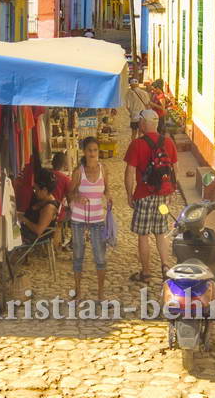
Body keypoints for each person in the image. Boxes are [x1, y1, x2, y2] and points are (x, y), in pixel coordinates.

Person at [123, 109, 177, 283]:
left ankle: (146, 272)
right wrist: (171, 191)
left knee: (144, 235)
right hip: (162, 197)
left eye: (140, 122)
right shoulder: (168, 143)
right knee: (161, 232)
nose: (139, 124)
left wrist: (129, 194)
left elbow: (130, 172)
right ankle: (165, 266)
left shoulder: (137, 144)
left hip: (144, 195)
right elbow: (175, 169)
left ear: (144, 123)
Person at [68, 137, 111, 301]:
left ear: (98, 152)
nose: (92, 153)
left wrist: (108, 199)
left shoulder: (104, 170)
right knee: (78, 255)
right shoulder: (78, 172)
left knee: (100, 257)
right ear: (84, 152)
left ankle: (101, 293)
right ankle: (78, 291)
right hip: (79, 218)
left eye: (95, 150)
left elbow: (107, 190)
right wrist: (77, 197)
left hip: (97, 219)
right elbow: (70, 193)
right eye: (89, 150)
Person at [18, 169, 59, 246]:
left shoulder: (49, 208)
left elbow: (38, 230)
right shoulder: (43, 200)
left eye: (36, 189)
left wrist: (24, 219)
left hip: (33, 236)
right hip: (27, 230)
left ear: (44, 190)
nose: (35, 191)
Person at [50, 152, 72, 253]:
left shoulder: (46, 173)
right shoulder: (65, 179)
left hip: (42, 208)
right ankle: (57, 247)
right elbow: (70, 199)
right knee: (62, 221)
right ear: (64, 165)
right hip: (56, 211)